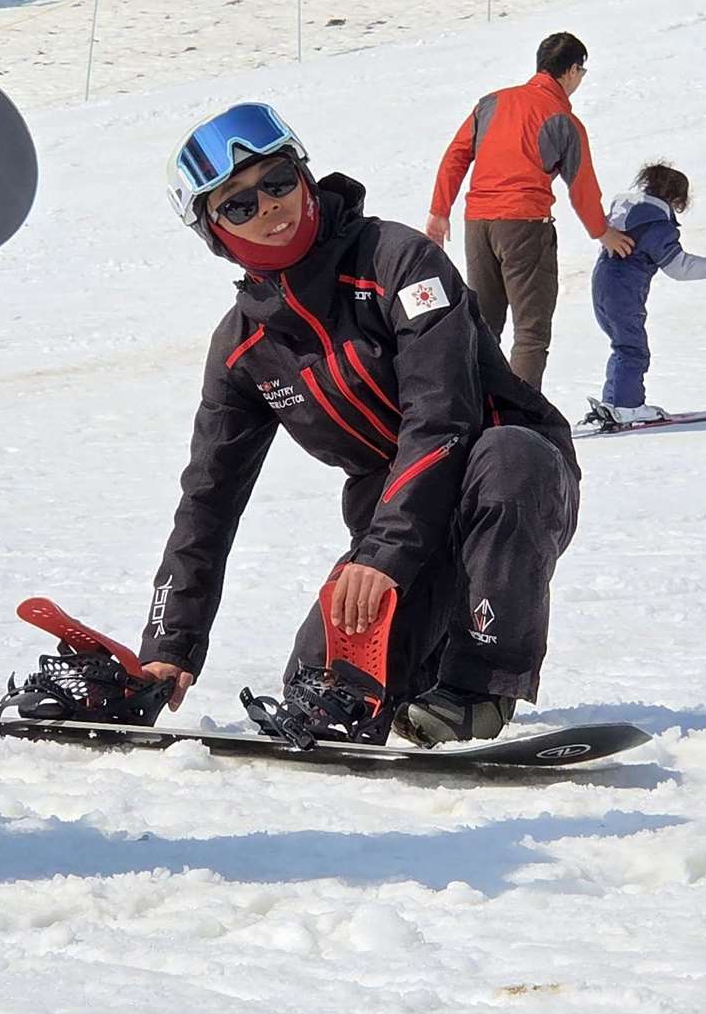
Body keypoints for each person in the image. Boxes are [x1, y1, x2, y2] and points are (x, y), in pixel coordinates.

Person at [141, 104, 583, 747]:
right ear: (213, 231)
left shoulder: (399, 261)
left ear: (306, 177)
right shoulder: (244, 350)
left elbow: (442, 419)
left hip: (504, 483)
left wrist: (380, 559)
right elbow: (207, 501)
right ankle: (421, 670)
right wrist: (170, 645)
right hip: (397, 527)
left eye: (277, 181)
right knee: (320, 687)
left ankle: (478, 685)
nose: (267, 206)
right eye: (237, 205)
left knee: (510, 456)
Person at [426, 32, 634, 391]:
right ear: (569, 71)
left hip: (478, 224)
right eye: (581, 72)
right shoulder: (563, 120)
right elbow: (582, 187)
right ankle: (520, 422)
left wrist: (439, 210)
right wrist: (603, 232)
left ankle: (476, 409)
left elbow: (456, 155)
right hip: (524, 226)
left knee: (485, 325)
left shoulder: (490, 104)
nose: (580, 80)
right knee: (531, 331)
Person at [586, 161, 706, 428]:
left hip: (603, 282)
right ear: (675, 199)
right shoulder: (655, 224)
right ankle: (628, 407)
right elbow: (678, 266)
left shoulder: (626, 212)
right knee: (633, 349)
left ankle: (613, 405)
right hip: (624, 289)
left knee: (623, 345)